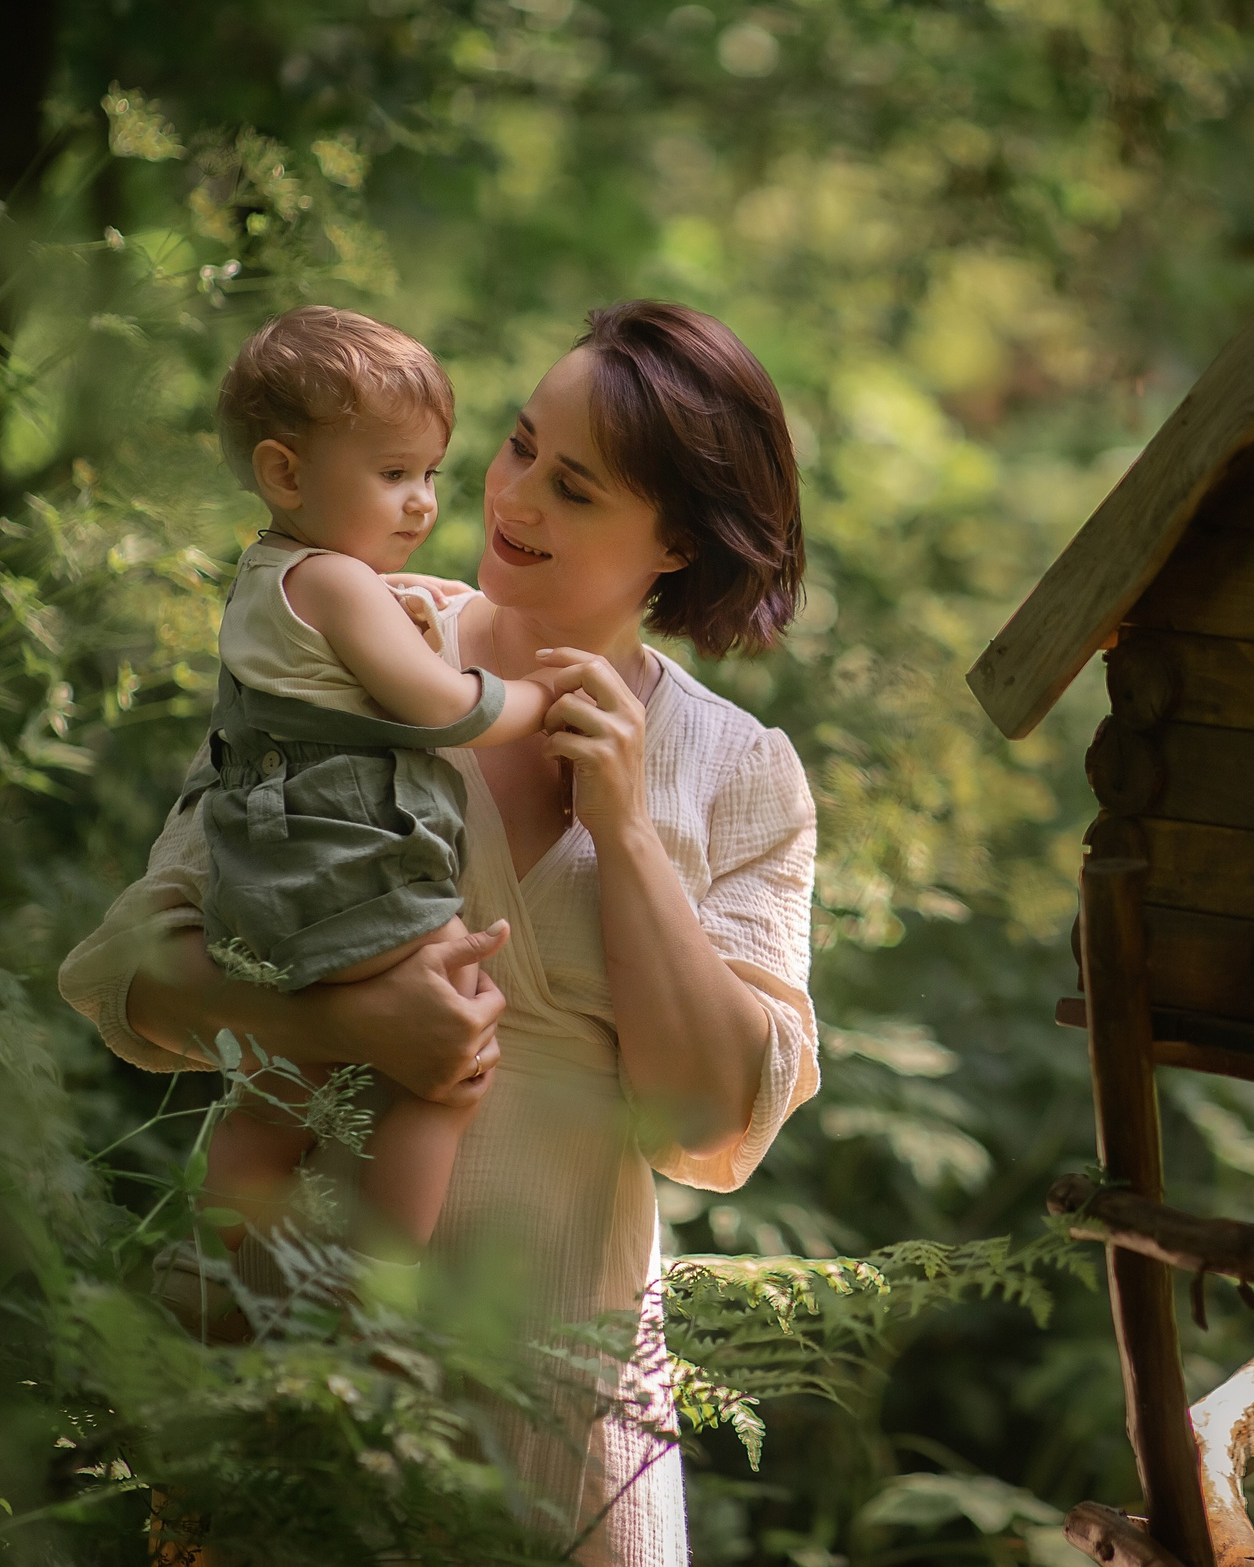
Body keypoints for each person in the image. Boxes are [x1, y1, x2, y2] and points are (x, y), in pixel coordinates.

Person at [58, 301, 820, 1563]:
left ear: (676, 541)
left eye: (572, 487)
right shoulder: (354, 643)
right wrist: (342, 1023)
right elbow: (127, 979)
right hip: (294, 1366)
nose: (512, 498)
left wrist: (625, 834)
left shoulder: (738, 772)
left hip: (560, 1407)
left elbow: (704, 1124)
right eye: (518, 446)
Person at [193, 304, 568, 1256]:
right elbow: (443, 708)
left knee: (279, 1086)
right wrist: (533, 697)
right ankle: (374, 1296)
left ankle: (209, 1279)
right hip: (348, 872)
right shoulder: (339, 582)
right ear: (284, 472)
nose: (423, 502)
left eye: (431, 473)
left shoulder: (268, 575)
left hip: (263, 888)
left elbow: (323, 672)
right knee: (450, 1066)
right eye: (393, 473)